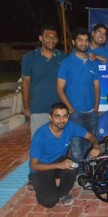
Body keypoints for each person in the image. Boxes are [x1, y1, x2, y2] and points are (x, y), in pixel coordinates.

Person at [21, 24, 67, 190]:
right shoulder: (29, 58)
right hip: (38, 107)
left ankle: (55, 173)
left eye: (54, 37)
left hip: (59, 110)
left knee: (59, 142)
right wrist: (26, 107)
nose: (52, 40)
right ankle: (33, 176)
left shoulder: (63, 57)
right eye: (48, 36)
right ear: (41, 38)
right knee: (38, 143)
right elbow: (25, 84)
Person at [30, 102, 100, 208]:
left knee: (73, 165)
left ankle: (63, 192)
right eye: (57, 116)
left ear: (68, 117)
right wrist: (59, 165)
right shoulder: (40, 136)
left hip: (59, 161)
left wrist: (96, 146)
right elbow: (34, 165)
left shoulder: (70, 126)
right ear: (50, 117)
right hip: (42, 167)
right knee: (49, 202)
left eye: (64, 116)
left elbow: (91, 136)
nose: (61, 120)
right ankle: (36, 181)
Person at [57, 28, 100, 175]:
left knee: (91, 144)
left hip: (92, 113)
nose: (83, 43)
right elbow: (60, 89)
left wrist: (95, 108)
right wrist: (71, 109)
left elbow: (97, 88)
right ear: (74, 42)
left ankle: (89, 173)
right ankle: (78, 175)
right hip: (75, 113)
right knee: (76, 146)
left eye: (86, 40)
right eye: (80, 40)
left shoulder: (92, 63)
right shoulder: (66, 63)